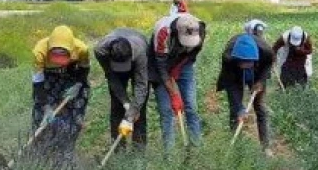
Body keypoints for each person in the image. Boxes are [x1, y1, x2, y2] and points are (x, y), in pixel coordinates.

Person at [30, 25, 91, 158]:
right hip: (48, 77)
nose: (59, 62)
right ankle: (40, 150)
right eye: (55, 56)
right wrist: (46, 107)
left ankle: (66, 150)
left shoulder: (82, 49)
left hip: (72, 75)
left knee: (73, 115)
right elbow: (38, 83)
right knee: (41, 115)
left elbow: (84, 69)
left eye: (63, 56)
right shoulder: (39, 52)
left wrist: (78, 85)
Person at [149, 10, 205, 149]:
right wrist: (173, 94)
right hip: (161, 64)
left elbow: (192, 55)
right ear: (177, 32)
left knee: (191, 107)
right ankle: (170, 155)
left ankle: (196, 148)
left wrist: (178, 69)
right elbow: (162, 68)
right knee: (166, 110)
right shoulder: (163, 32)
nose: (188, 45)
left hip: (184, 64)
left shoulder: (200, 29)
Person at [217, 19, 274, 154]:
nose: (245, 65)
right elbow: (231, 86)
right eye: (242, 63)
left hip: (257, 74)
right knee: (235, 111)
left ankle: (265, 146)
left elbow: (268, 65)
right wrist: (239, 108)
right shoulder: (228, 58)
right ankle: (237, 148)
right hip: (235, 77)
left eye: (248, 63)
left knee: (259, 107)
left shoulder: (265, 52)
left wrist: (260, 81)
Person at [94, 28, 149, 149]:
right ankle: (118, 149)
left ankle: (139, 150)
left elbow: (141, 85)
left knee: (139, 110)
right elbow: (112, 78)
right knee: (116, 106)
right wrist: (125, 102)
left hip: (137, 61)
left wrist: (133, 109)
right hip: (114, 70)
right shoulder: (101, 51)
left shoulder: (140, 52)